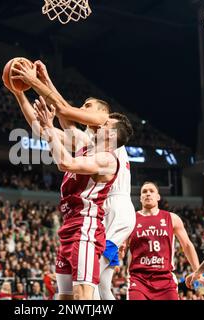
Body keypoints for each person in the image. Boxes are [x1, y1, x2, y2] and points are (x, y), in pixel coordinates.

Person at [8, 60, 136, 300]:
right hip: (75, 220)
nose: (83, 109)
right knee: (79, 290)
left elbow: (64, 111)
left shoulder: (107, 145)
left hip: (109, 210)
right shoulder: (87, 143)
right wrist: (20, 93)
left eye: (88, 106)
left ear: (102, 116)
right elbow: (46, 128)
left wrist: (35, 81)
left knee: (90, 286)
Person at [33, 96, 133, 300]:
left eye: (105, 123)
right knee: (65, 297)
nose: (99, 124)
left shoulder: (107, 157)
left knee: (86, 294)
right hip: (69, 226)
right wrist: (22, 93)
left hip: (88, 226)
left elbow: (65, 163)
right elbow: (64, 117)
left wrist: (49, 128)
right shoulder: (88, 148)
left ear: (111, 134)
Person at [125, 181, 204, 300]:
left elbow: (187, 245)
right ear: (140, 198)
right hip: (138, 279)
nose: (148, 194)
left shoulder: (172, 218)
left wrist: (197, 271)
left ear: (158, 197)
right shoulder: (131, 219)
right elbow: (121, 245)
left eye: (151, 191)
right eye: (144, 192)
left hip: (165, 279)